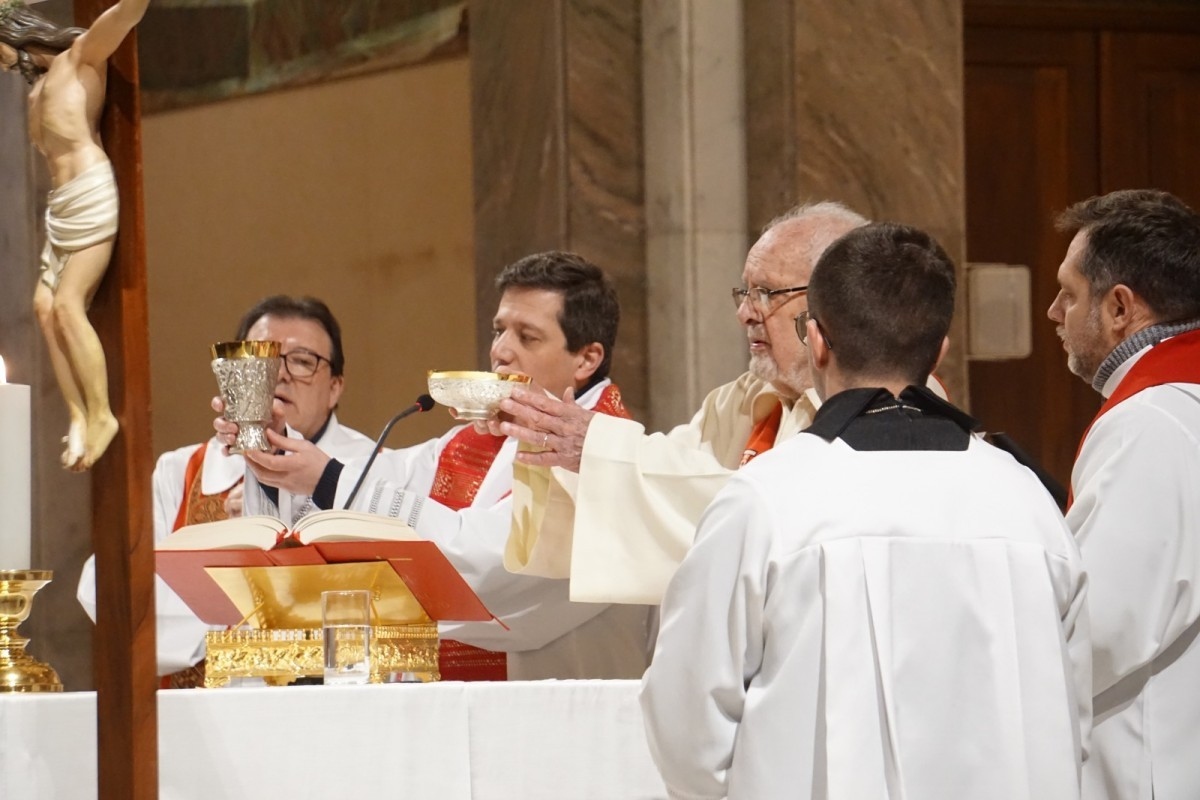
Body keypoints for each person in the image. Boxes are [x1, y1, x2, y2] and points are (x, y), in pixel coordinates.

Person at [642, 222, 1091, 799]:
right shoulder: (1029, 501)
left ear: (817, 341)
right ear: (939, 350)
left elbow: (687, 722)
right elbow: (1074, 706)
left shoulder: (767, 500)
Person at [219, 252, 655, 681]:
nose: (500, 351)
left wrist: (329, 479)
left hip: (555, 717)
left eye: (528, 336)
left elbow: (492, 567)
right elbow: (388, 478)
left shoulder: (604, 458)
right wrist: (274, 445)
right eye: (499, 330)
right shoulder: (479, 438)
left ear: (587, 359)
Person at [496, 202, 872, 603]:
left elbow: (775, 514)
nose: (744, 313)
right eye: (744, 292)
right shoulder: (739, 400)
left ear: (835, 302)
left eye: (765, 293)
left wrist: (597, 448)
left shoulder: (881, 406)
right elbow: (666, 493)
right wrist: (555, 439)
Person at [77, 295, 375, 684]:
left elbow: (378, 600)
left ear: (335, 387)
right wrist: (235, 613)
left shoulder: (369, 473)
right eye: (259, 359)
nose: (278, 374)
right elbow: (108, 585)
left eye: (302, 361)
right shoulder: (181, 472)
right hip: (197, 721)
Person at [1048, 189, 1200, 800]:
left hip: (1149, 767)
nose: (1053, 311)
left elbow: (1103, 629)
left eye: (1069, 292)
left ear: (1118, 307)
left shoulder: (1153, 424)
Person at [1, 0, 149, 470]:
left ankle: (103, 415)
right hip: (59, 206)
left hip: (88, 191)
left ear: (14, 33)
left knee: (67, 304)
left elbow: (126, 14)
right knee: (44, 309)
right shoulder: (36, 91)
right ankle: (78, 415)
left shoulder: (82, 57)